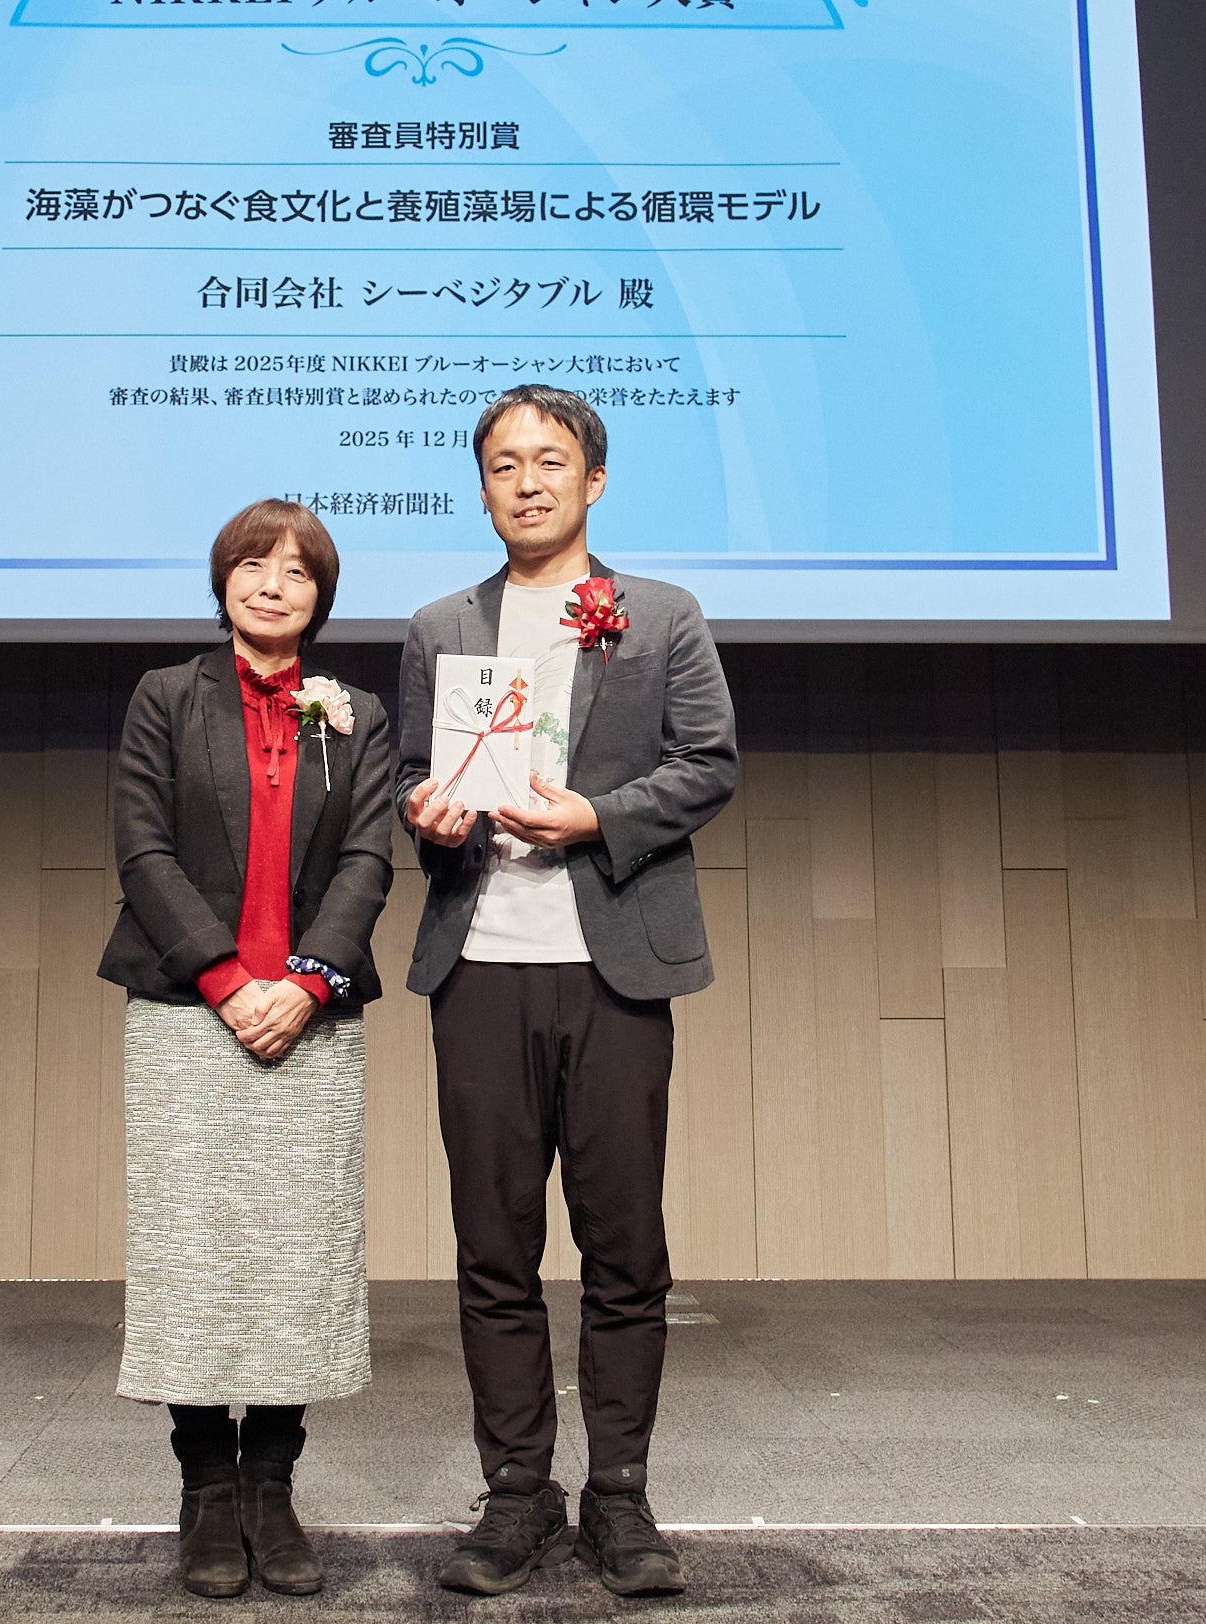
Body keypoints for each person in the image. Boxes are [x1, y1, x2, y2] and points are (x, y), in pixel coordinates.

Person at [396, 387, 738, 1599]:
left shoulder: (662, 614)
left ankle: (621, 1494)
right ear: (482, 487)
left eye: (550, 461)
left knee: (623, 1242)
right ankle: (516, 1492)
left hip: (614, 963)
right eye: (504, 464)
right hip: (479, 964)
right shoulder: (440, 625)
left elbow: (708, 762)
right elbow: (413, 774)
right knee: (493, 1242)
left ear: (594, 480)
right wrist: (425, 811)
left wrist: (598, 814)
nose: (527, 480)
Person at [103, 499, 395, 1600]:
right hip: (191, 1012)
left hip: (310, 1018)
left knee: (295, 1257)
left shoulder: (357, 712)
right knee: (195, 1254)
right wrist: (227, 982)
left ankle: (272, 1485)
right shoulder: (167, 695)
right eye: (253, 565)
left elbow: (370, 855)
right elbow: (143, 848)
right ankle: (204, 1486)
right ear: (222, 579)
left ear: (322, 596)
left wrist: (308, 982)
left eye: (297, 571)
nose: (273, 584)